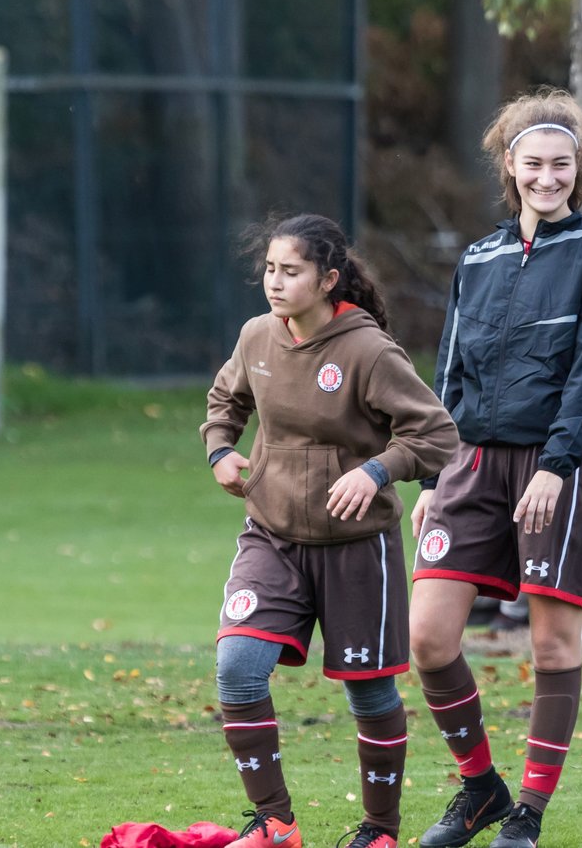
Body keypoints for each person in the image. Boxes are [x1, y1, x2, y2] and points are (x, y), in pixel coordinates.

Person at [407, 87, 582, 848]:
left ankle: (527, 814)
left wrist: (556, 466)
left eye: (561, 165)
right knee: (430, 638)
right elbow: (448, 375)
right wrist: (436, 477)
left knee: (551, 645)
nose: (547, 178)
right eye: (533, 164)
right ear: (510, 165)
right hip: (469, 462)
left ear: (578, 168)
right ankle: (480, 790)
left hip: (552, 467)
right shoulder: (479, 256)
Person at [200, 215, 459, 848]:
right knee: (237, 668)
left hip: (355, 549)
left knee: (369, 694)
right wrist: (221, 450)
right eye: (269, 270)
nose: (276, 283)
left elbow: (436, 436)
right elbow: (223, 401)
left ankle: (379, 830)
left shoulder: (368, 351)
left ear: (328, 280)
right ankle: (276, 823)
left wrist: (376, 471)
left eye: (291, 272)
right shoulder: (257, 337)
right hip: (272, 535)